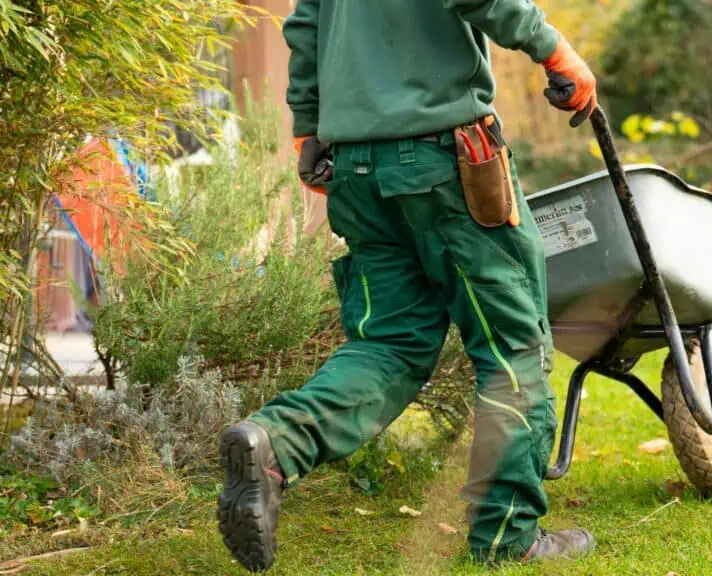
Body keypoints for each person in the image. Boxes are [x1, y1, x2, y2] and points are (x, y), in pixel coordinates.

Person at [216, 1, 599, 572]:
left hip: (355, 168)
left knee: (388, 344)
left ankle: (276, 444)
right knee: (511, 347)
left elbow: (305, 25)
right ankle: (505, 538)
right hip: (449, 159)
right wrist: (555, 51)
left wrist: (308, 130)